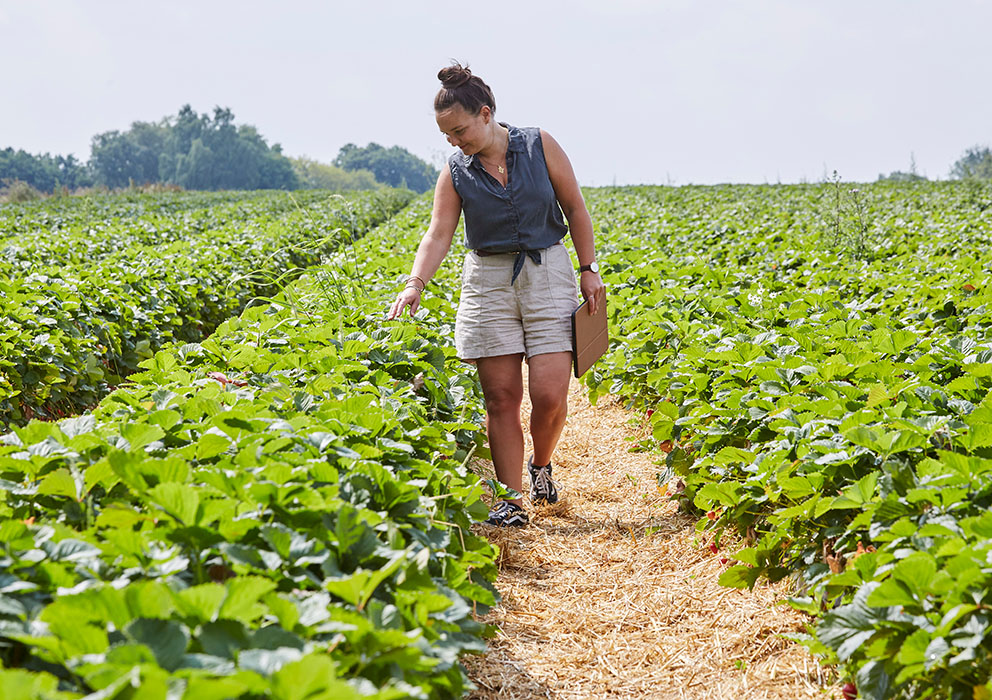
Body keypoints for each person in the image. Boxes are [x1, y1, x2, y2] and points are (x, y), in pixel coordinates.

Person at [387, 63, 605, 527]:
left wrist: (589, 269)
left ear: (486, 114)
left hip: (548, 271)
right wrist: (414, 284)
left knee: (549, 395)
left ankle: (541, 465)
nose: (454, 142)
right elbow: (438, 234)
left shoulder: (539, 144)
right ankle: (511, 501)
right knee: (501, 397)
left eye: (459, 130)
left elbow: (576, 209)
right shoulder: (455, 171)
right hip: (487, 283)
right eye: (446, 135)